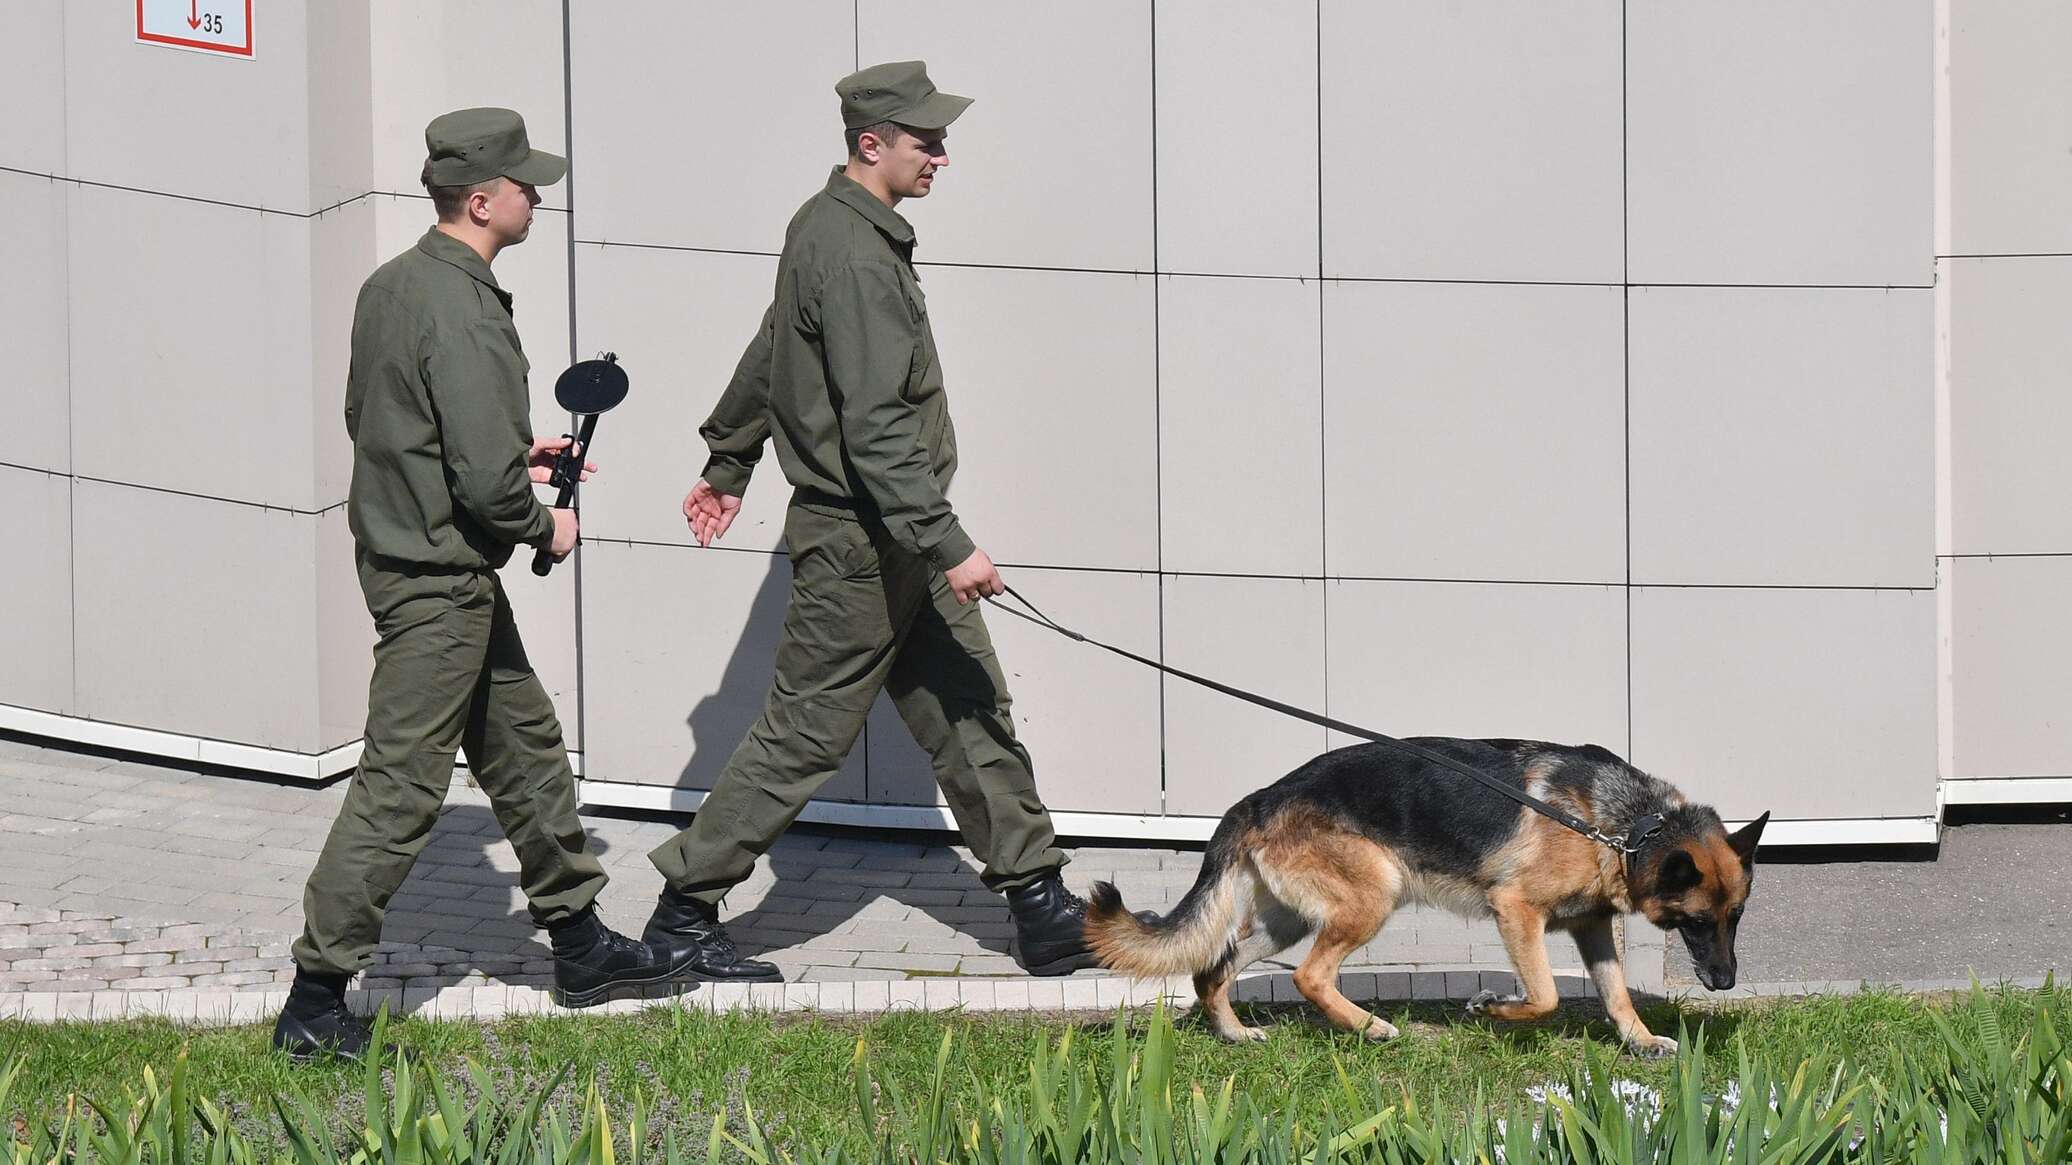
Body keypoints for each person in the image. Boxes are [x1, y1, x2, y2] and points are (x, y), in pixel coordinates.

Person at [643, 61, 1117, 983]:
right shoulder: (855, 253)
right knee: (806, 733)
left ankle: (1041, 904)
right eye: (925, 139)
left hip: (898, 532)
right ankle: (683, 912)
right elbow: (873, 427)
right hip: (868, 542)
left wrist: (729, 458)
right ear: (872, 144)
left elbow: (775, 342)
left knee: (970, 703)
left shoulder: (831, 229)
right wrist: (949, 543)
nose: (942, 153)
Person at [274, 108, 669, 1060]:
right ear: (481, 199)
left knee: (526, 748)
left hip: (420, 566)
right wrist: (548, 522)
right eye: (526, 184)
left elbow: (381, 416)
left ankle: (580, 947)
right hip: (439, 584)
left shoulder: (392, 286)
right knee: (401, 786)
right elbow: (492, 493)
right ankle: (315, 1001)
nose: (538, 195)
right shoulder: (466, 306)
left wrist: (504, 451)